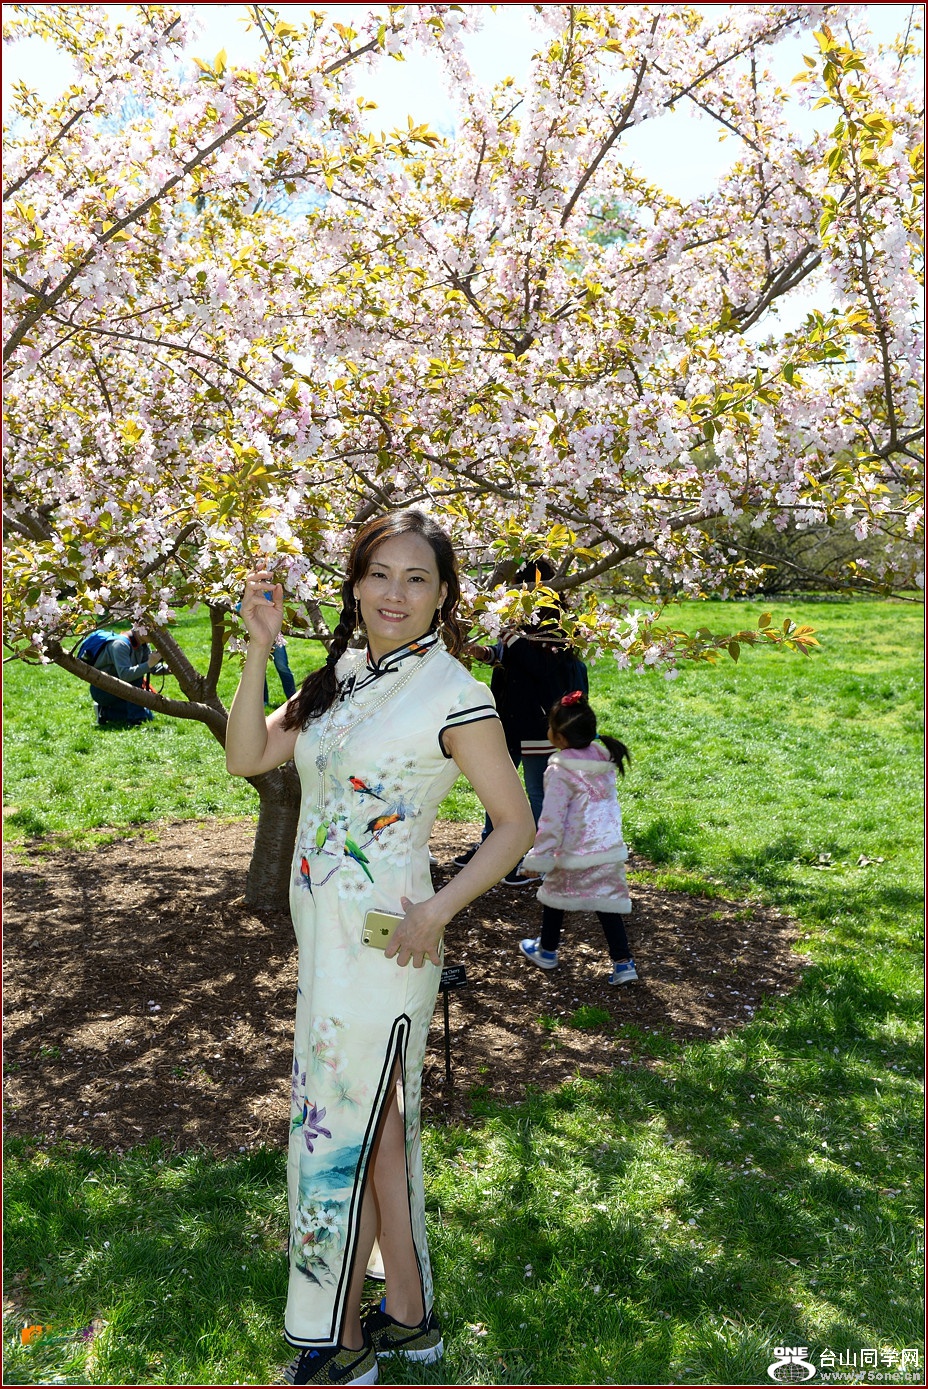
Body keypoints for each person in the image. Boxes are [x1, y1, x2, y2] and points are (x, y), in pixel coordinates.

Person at [225, 509, 535, 1387]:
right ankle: (408, 1315)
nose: (395, 593)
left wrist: (437, 910)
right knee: (378, 1131)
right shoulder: (345, 674)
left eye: (416, 578)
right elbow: (246, 756)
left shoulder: (454, 692)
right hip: (326, 945)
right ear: (356, 585)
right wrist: (258, 650)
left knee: (337, 1135)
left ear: (443, 595)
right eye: (380, 575)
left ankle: (339, 1342)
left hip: (386, 948)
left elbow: (515, 824)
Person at [454, 560, 588, 886]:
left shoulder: (556, 628)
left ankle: (539, 859)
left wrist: (509, 637)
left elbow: (539, 666)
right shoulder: (520, 623)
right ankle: (491, 845)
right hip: (509, 720)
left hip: (538, 723)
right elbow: (510, 657)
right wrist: (487, 653)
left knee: (538, 793)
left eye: (518, 587)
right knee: (497, 789)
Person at [517, 690, 638, 986]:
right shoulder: (602, 759)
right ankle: (624, 963)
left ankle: (547, 951)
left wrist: (539, 857)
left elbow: (552, 819)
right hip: (607, 847)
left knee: (554, 895)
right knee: (607, 903)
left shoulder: (560, 769)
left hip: (572, 851)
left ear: (559, 737)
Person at [88, 629, 161, 725]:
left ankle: (111, 712)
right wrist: (149, 664)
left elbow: (152, 668)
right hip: (103, 690)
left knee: (148, 715)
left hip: (122, 687)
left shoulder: (143, 644)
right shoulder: (120, 644)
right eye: (150, 630)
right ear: (139, 627)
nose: (155, 635)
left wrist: (169, 669)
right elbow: (125, 675)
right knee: (144, 714)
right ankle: (108, 713)